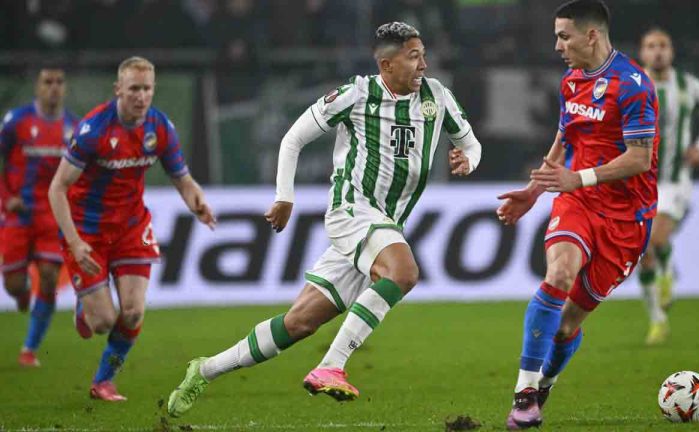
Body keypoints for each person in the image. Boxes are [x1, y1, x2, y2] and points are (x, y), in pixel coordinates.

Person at [167, 21, 482, 417]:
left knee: (298, 323)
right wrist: (284, 197)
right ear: (386, 65)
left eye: (423, 55)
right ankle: (331, 365)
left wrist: (468, 160)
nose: (423, 64)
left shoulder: (437, 96)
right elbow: (293, 138)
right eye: (413, 57)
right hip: (352, 211)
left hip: (384, 224)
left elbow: (471, 143)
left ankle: (205, 370)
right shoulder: (356, 95)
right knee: (403, 273)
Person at [496, 1, 658, 429]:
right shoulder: (571, 82)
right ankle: (524, 393)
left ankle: (544, 384)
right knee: (560, 273)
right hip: (578, 202)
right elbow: (564, 137)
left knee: (566, 328)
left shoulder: (634, 85)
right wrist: (535, 190)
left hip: (626, 220)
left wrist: (577, 177)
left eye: (564, 36)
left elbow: (640, 158)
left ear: (591, 35)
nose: (557, 46)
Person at [48, 56, 215, 401]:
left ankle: (103, 381)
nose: (141, 96)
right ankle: (86, 307)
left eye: (147, 89)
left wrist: (197, 202)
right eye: (134, 88)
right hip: (86, 230)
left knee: (134, 311)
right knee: (102, 323)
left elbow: (182, 179)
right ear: (118, 89)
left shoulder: (160, 127)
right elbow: (57, 188)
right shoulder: (94, 130)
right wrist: (74, 242)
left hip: (130, 226)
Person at [637, 28, 699, 345]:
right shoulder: (632, 86)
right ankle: (657, 321)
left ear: (671, 51)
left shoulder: (688, 85)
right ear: (643, 53)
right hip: (639, 182)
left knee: (656, 238)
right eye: (651, 46)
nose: (657, 51)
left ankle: (667, 271)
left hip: (674, 180)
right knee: (643, 254)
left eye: (663, 45)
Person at [0, 68, 78, 367]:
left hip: (52, 215)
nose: (54, 87)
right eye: (48, 82)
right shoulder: (16, 121)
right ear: (38, 86)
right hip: (17, 214)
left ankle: (29, 348)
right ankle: (20, 294)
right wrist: (7, 198)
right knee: (14, 285)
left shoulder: (74, 127)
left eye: (59, 82)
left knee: (48, 278)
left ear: (65, 87)